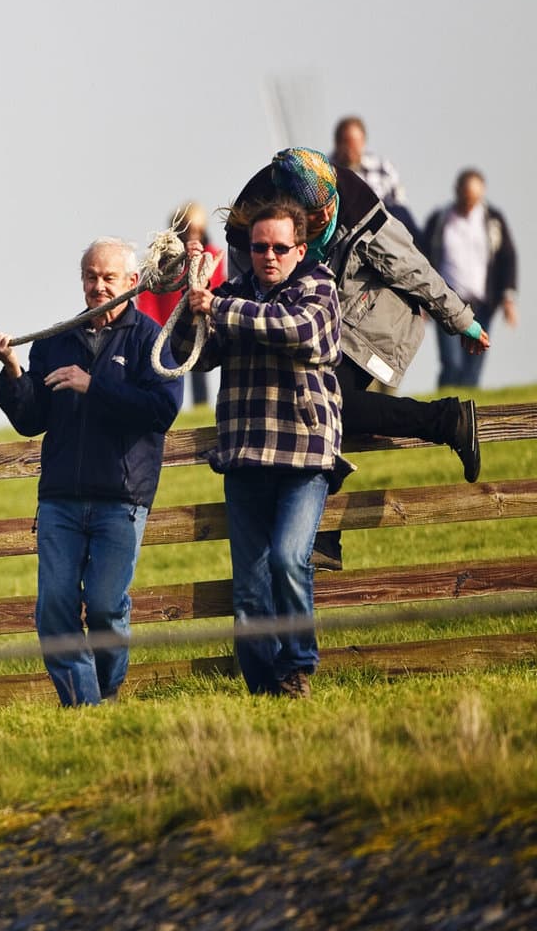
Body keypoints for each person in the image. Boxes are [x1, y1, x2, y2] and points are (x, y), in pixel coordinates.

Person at [227, 148, 483, 569]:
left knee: (333, 405)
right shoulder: (249, 234)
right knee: (310, 408)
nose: (330, 215)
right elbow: (251, 288)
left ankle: (448, 421)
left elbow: (412, 268)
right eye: (318, 214)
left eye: (330, 207)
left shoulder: (360, 208)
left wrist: (461, 320)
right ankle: (324, 536)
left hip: (373, 320)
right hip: (308, 329)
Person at [0, 239, 180, 706]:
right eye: (91, 277)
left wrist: (94, 386)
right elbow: (32, 419)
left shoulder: (151, 340)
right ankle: (84, 705)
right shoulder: (56, 339)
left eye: (108, 278)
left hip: (121, 497)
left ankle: (106, 692)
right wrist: (12, 371)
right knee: (54, 607)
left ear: (132, 284)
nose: (98, 287)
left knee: (108, 605)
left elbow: (163, 409)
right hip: (60, 499)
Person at [172, 188, 344, 698]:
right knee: (249, 583)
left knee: (290, 559)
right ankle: (264, 685)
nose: (268, 257)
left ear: (300, 249)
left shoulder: (319, 289)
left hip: (303, 454)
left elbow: (297, 331)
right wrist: (190, 302)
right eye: (259, 247)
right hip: (245, 453)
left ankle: (298, 666)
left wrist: (221, 307)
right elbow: (196, 356)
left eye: (278, 248)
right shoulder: (231, 293)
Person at [424, 169, 518, 388]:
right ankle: (442, 407)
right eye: (466, 198)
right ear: (457, 192)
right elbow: (423, 258)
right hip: (446, 302)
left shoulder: (493, 220)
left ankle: (469, 413)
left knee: (472, 366)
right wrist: (423, 301)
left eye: (475, 198)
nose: (470, 203)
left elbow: (507, 257)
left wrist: (508, 299)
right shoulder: (440, 220)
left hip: (482, 305)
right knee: (452, 362)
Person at [136, 201, 226, 407]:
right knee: (166, 364)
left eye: (197, 229)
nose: (193, 233)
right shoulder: (164, 260)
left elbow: (218, 284)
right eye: (189, 228)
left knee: (197, 362)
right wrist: (152, 322)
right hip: (167, 322)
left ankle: (200, 404)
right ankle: (170, 403)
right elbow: (150, 293)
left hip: (199, 317)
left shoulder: (212, 254)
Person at [330, 116, 420, 237]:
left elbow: (399, 204)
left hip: (381, 229)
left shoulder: (382, 168)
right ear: (337, 143)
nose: (350, 150)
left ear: (363, 142)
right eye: (347, 143)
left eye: (355, 144)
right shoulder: (326, 171)